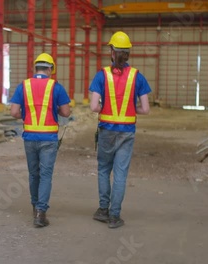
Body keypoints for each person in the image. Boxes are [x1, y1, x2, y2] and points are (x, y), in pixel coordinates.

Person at [89, 31, 151, 228]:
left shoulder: (102, 75)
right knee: (121, 173)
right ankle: (115, 216)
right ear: (128, 53)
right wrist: (132, 111)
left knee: (103, 170)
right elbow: (146, 109)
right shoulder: (137, 76)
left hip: (107, 130)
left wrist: (104, 109)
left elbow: (93, 106)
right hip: (127, 132)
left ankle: (103, 210)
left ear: (112, 52)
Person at [9, 53, 71, 228]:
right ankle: (41, 213)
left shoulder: (24, 86)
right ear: (50, 69)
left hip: (29, 137)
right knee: (45, 175)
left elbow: (14, 112)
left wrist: (26, 114)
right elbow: (66, 112)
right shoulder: (56, 87)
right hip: (49, 138)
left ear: (35, 68)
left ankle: (34, 207)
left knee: (33, 174)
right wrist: (55, 110)